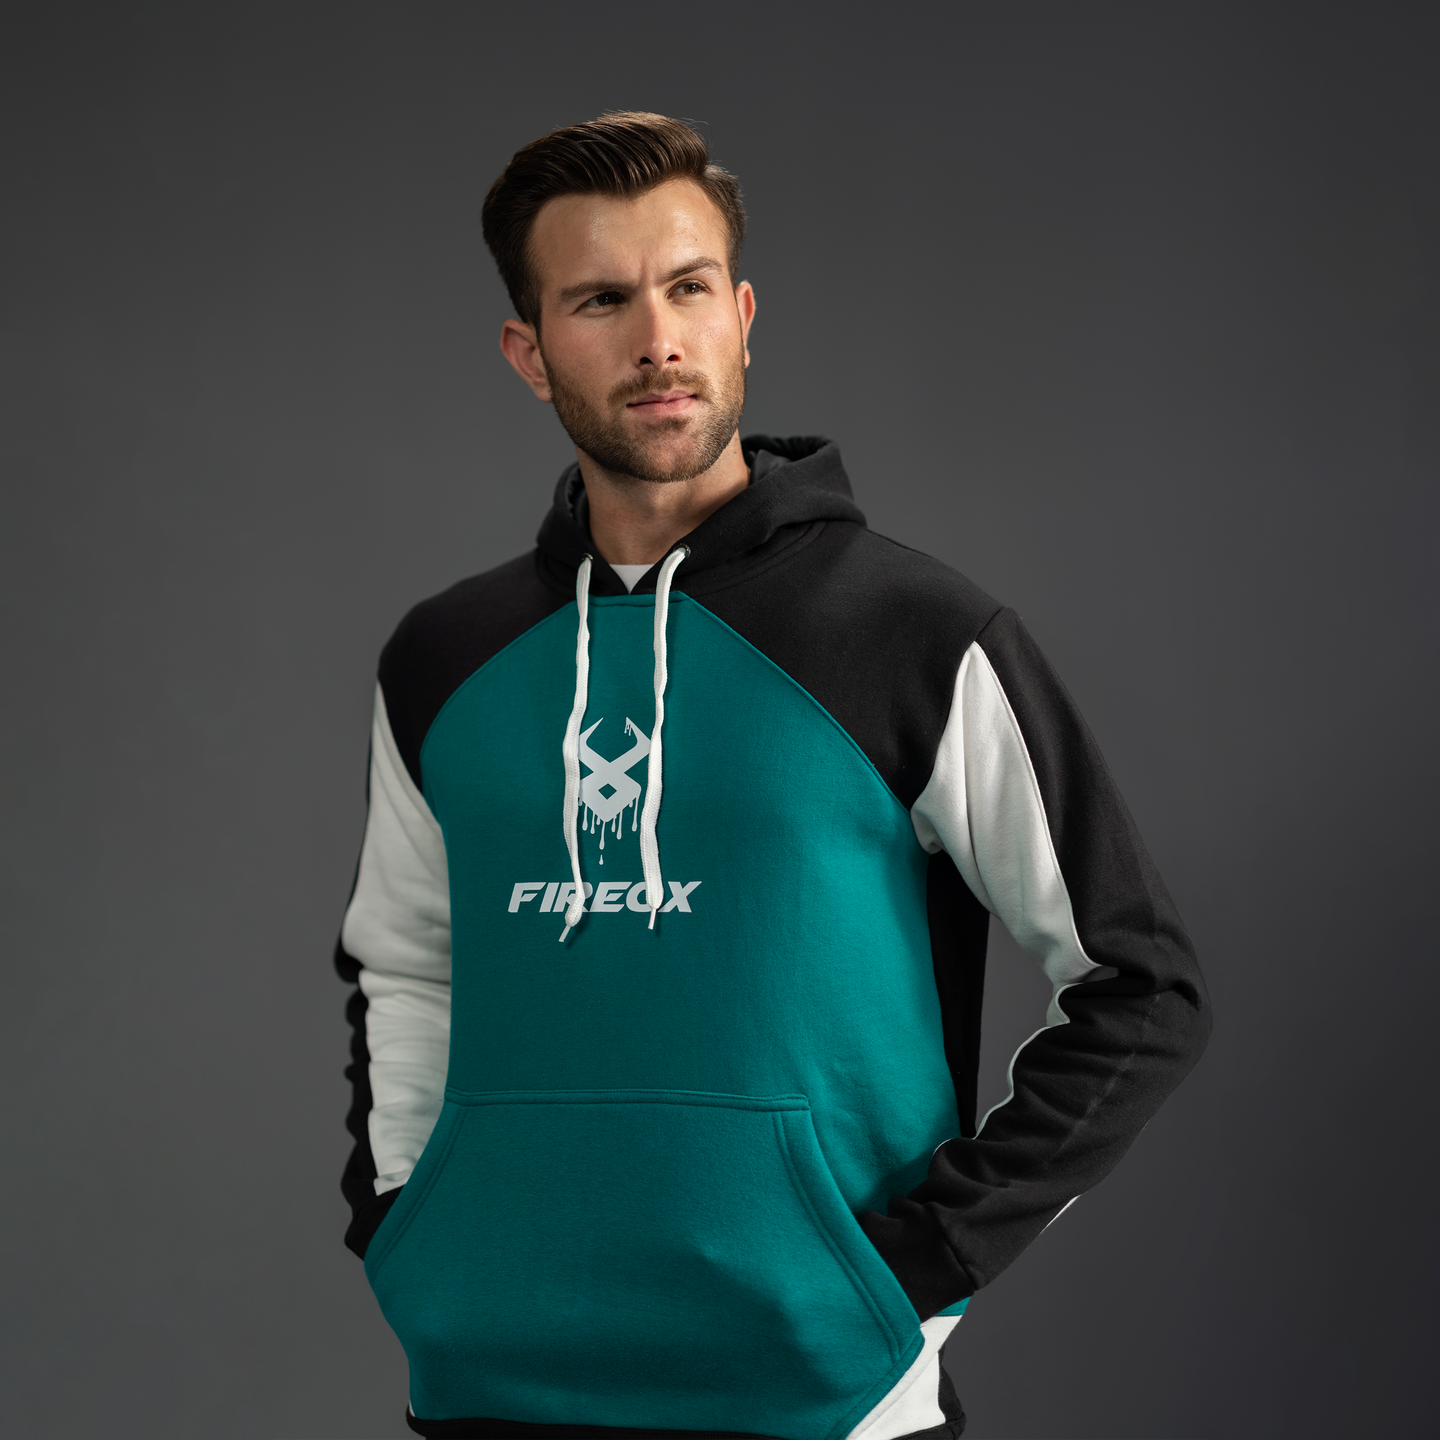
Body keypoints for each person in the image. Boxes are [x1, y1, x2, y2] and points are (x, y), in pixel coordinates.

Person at [334, 112, 1210, 1440]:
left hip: (824, 1392)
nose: (657, 338)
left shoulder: (912, 635)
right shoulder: (444, 658)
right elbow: (404, 961)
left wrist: (919, 1266)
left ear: (741, 319)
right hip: (492, 1380)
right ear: (529, 352)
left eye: (688, 287)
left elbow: (1141, 984)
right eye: (601, 301)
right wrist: (412, 1224)